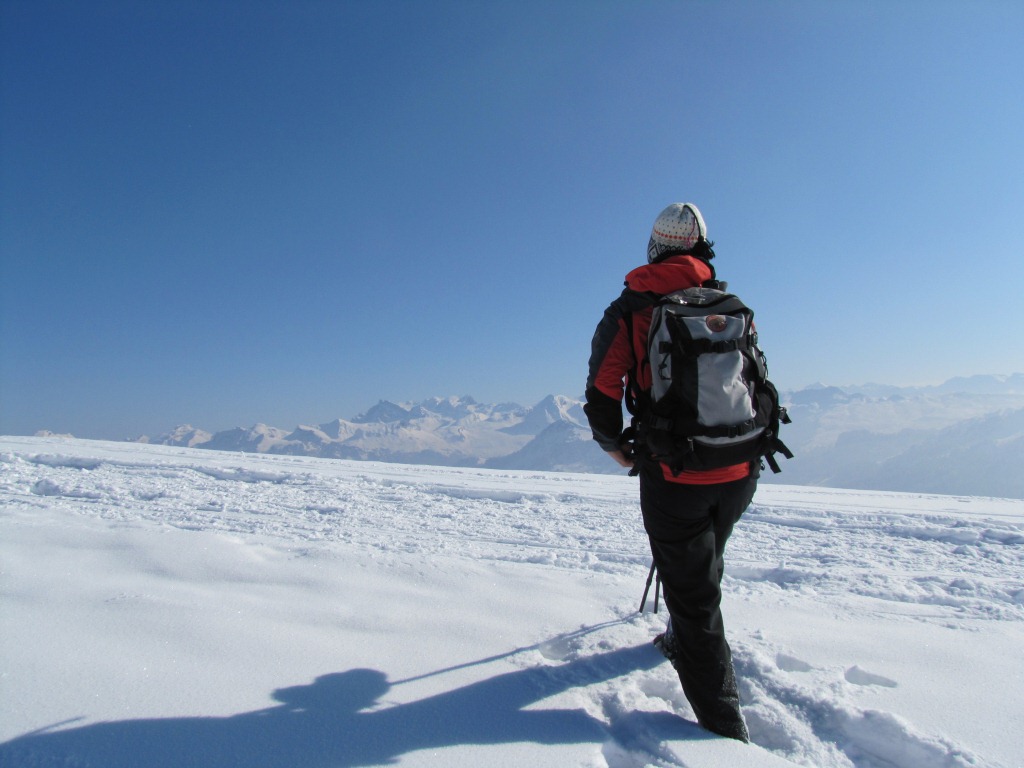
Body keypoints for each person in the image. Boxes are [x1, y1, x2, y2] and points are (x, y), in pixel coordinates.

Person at [584, 202, 755, 742]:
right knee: (702, 566)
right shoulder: (725, 302)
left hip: (674, 474)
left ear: (655, 247)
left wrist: (616, 447)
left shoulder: (631, 308)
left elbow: (603, 387)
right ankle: (683, 639)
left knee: (694, 599)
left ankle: (725, 735)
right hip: (739, 466)